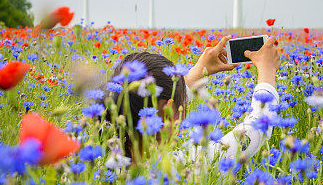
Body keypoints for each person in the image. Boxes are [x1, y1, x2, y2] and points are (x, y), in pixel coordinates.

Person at [107, 35, 281, 162]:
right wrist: (267, 72)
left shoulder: (105, 157)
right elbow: (255, 130)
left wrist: (197, 73)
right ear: (168, 111)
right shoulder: (181, 167)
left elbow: (166, 99)